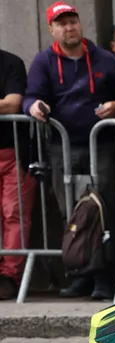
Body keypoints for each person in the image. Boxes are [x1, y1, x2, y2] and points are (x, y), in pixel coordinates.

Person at [24, 1, 115, 300]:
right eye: (62, 23)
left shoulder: (104, 59)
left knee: (104, 209)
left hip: (102, 144)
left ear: (80, 24)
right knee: (71, 213)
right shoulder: (43, 61)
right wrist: (34, 107)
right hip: (62, 147)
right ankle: (80, 274)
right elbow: (31, 96)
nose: (69, 27)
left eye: (73, 21)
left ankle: (106, 277)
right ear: (52, 29)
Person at [0, 48, 35, 300]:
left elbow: (13, 103)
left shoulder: (10, 62)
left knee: (14, 214)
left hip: (13, 151)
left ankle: (9, 276)